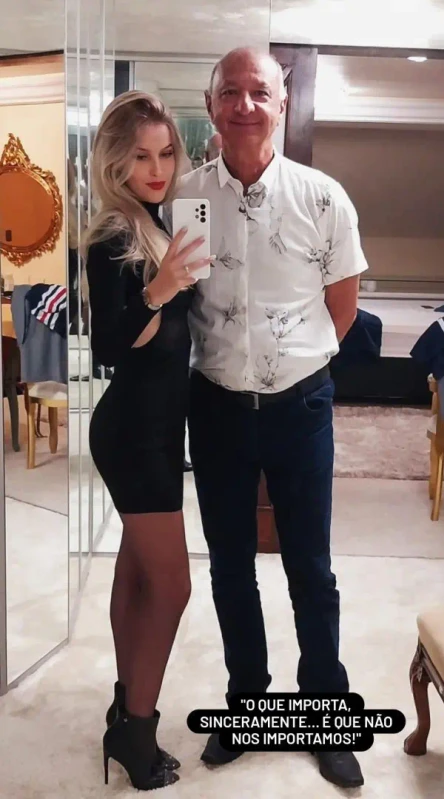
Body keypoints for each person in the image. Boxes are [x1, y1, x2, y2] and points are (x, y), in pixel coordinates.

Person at [176, 47, 368, 789]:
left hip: (300, 408)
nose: (246, 105)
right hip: (216, 408)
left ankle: (324, 710)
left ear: (282, 105)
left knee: (310, 567)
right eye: (231, 92)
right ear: (212, 105)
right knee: (230, 566)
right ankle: (246, 702)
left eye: (260, 92)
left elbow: (342, 309)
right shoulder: (188, 197)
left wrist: (292, 366)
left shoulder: (323, 198)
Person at [84, 90, 213, 791]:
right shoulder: (113, 232)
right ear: (116, 161)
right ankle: (136, 729)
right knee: (172, 584)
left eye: (166, 153)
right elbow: (109, 345)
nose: (158, 168)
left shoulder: (159, 219)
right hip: (133, 431)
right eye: (141, 156)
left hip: (160, 427)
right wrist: (159, 290)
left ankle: (123, 700)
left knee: (138, 575)